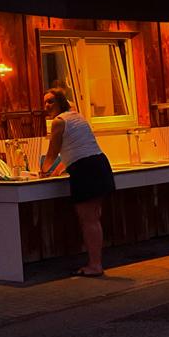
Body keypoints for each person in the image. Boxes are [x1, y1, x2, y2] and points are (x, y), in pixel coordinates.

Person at [42, 86, 116, 277]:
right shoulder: (77, 117)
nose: (46, 106)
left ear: (60, 103)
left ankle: (95, 265)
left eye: (50, 101)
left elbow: (52, 154)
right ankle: (95, 262)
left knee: (89, 219)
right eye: (44, 102)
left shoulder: (58, 122)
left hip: (86, 169)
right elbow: (72, 151)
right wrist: (57, 171)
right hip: (99, 164)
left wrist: (43, 171)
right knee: (93, 217)